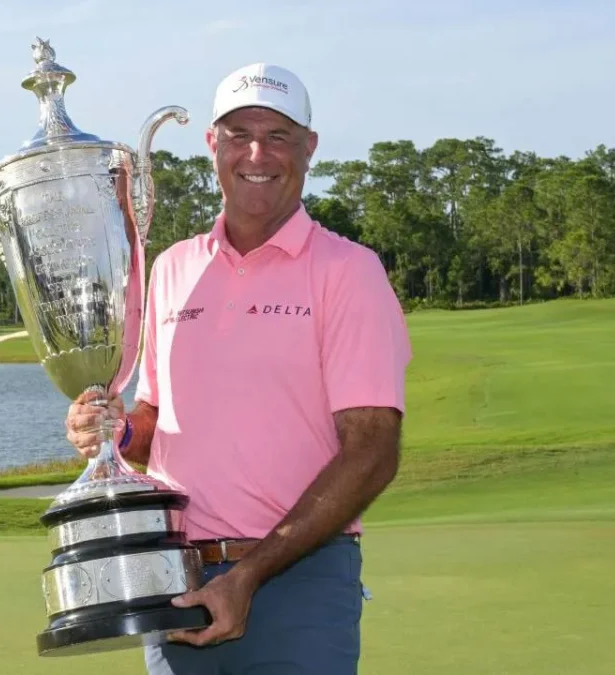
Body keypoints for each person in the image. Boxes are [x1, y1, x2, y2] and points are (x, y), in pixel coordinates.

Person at [64, 61, 412, 674]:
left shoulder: (349, 272)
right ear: (212, 146)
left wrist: (248, 576)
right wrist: (113, 435)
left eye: (278, 135)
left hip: (301, 580)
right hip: (175, 577)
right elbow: (158, 424)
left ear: (309, 148)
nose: (258, 152)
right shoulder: (170, 268)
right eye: (239, 135)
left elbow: (373, 449)